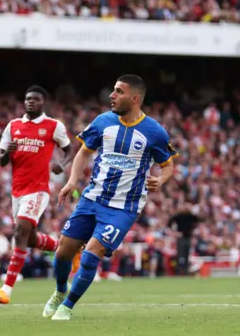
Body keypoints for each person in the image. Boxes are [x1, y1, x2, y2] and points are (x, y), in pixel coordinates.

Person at [44, 74, 177, 321]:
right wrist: (72, 181)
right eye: (113, 91)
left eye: (118, 91)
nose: (112, 96)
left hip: (123, 208)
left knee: (92, 251)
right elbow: (83, 153)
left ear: (135, 98)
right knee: (63, 251)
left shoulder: (155, 132)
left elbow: (168, 165)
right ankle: (60, 292)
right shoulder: (103, 122)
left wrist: (161, 179)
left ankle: (68, 306)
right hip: (92, 198)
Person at [0, 85, 73, 304]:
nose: (30, 102)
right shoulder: (13, 126)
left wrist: (61, 166)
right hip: (17, 191)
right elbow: (2, 161)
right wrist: (8, 152)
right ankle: (64, 249)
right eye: (27, 99)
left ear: (43, 103)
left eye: (35, 99)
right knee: (30, 238)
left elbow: (70, 150)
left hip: (38, 190)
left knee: (19, 232)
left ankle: (6, 290)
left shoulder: (53, 126)